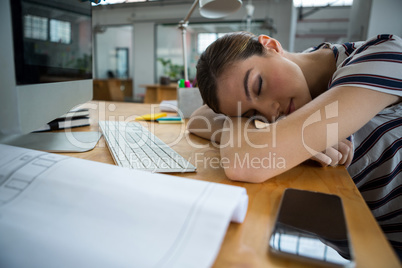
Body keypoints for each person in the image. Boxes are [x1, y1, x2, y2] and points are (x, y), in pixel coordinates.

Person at [187, 32, 402, 259]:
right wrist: (249, 124)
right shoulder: (301, 68)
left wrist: (267, 137)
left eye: (258, 86)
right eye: (252, 114)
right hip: (353, 246)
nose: (270, 113)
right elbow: (199, 117)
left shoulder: (384, 56)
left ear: (271, 45)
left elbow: (246, 163)